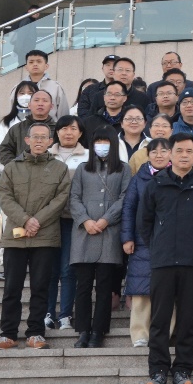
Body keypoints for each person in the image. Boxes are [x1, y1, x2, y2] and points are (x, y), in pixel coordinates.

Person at [140, 133, 193, 384]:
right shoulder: (156, 185)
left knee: (188, 320)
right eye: (179, 151)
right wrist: (158, 247)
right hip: (162, 262)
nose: (184, 155)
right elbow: (144, 223)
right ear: (170, 154)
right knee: (159, 319)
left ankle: (182, 369)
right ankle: (158, 371)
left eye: (189, 151)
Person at [0, 123, 71, 351]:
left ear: (50, 142)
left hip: (45, 236)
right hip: (15, 237)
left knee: (40, 287)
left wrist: (37, 221)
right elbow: (4, 196)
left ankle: (35, 333)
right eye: (35, 137)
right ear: (27, 140)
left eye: (43, 137)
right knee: (12, 288)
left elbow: (60, 199)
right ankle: (8, 334)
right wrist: (25, 220)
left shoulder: (59, 168)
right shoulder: (12, 168)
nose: (39, 141)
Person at [68, 127, 130, 349]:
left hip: (109, 233)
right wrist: (85, 220)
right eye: (98, 141)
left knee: (105, 286)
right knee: (83, 286)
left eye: (106, 141)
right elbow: (74, 198)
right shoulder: (82, 169)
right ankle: (83, 330)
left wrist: (106, 220)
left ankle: (99, 331)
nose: (101, 145)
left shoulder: (123, 169)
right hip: (84, 233)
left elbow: (125, 198)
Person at [122, 138, 170, 347]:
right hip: (142, 241)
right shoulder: (139, 178)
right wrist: (127, 237)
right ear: (147, 154)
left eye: (164, 151)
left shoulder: (177, 175)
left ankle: (167, 334)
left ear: (171, 154)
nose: (159, 155)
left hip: (170, 241)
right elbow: (129, 208)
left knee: (169, 289)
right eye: (154, 151)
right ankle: (140, 334)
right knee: (141, 289)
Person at [47, 115, 88, 331]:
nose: (68, 132)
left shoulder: (88, 156)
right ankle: (47, 313)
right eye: (64, 128)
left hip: (74, 220)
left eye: (73, 128)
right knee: (50, 269)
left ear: (80, 133)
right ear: (57, 132)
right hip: (48, 221)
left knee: (68, 268)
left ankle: (65, 314)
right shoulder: (46, 155)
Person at [0, 90, 56, 166]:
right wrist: (16, 167)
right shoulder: (17, 128)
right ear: (29, 105)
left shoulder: (59, 129)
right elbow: (5, 151)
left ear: (51, 106)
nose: (40, 104)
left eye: (45, 101)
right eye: (36, 100)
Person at [18, 50, 70, 119]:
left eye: (39, 61)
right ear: (26, 67)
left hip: (50, 125)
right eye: (31, 62)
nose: (35, 64)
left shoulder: (56, 87)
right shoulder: (18, 88)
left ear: (46, 66)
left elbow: (63, 113)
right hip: (23, 125)